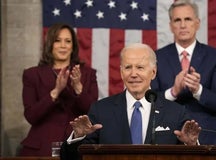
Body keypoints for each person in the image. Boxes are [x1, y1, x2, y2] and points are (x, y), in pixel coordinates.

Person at [60, 43, 201, 160]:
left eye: (140, 67)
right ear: (121, 73)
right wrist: (78, 137)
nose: (133, 74)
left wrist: (192, 145)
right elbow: (73, 158)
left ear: (153, 72)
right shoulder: (101, 110)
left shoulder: (176, 113)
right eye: (128, 67)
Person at [150, 0, 216, 146]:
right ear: (171, 26)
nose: (183, 25)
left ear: (197, 23)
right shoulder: (156, 58)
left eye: (188, 19)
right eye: (177, 20)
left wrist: (198, 90)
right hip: (168, 136)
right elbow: (149, 102)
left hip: (206, 138)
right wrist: (173, 92)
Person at [19, 23, 99, 156]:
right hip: (41, 148)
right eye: (57, 40)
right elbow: (31, 116)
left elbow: (93, 112)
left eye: (68, 41)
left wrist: (78, 88)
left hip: (77, 147)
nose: (63, 45)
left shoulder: (87, 73)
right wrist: (55, 92)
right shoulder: (32, 74)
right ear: (50, 44)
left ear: (73, 46)